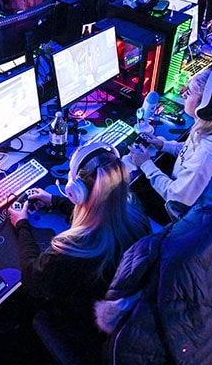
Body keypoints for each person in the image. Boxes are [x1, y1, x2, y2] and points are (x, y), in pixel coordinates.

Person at [8, 143, 150, 363]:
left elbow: (32, 280)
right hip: (124, 323)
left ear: (76, 192)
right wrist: (55, 201)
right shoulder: (136, 213)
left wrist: (21, 224)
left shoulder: (74, 249)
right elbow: (104, 209)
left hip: (84, 334)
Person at [126, 69, 212, 225]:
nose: (184, 95)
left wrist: (145, 163)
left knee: (130, 195)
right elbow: (189, 150)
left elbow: (175, 196)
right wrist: (163, 144)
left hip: (198, 223)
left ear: (204, 107)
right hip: (195, 201)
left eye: (189, 93)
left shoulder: (207, 157)